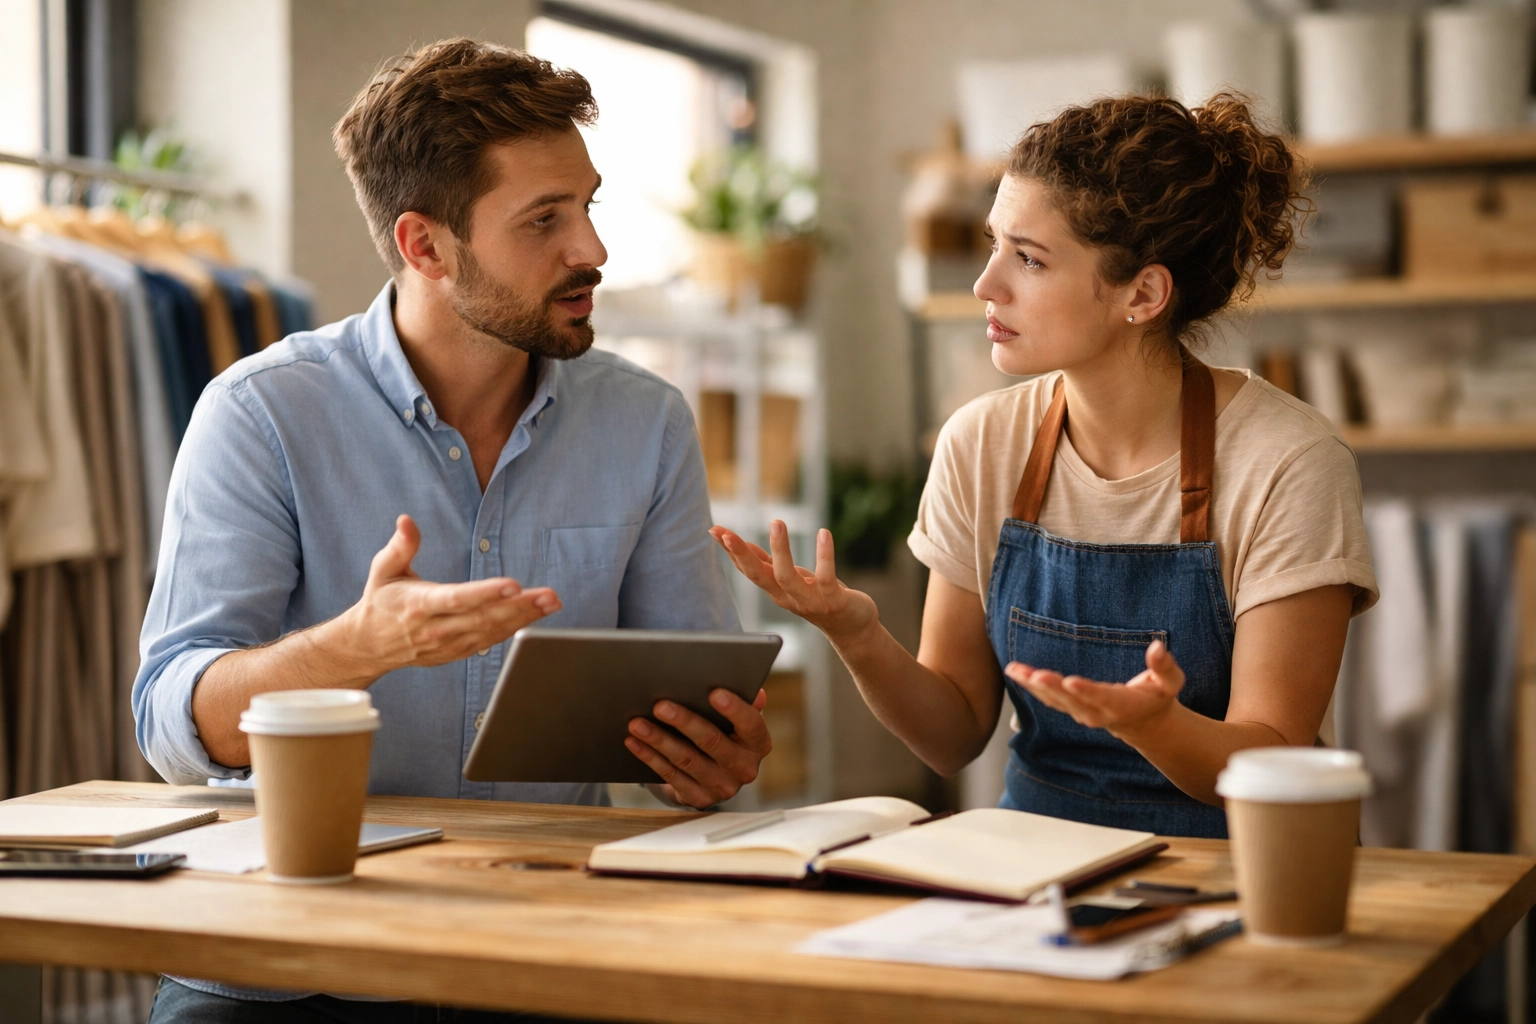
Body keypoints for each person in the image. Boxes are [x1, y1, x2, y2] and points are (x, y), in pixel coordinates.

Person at [134, 39, 770, 1021]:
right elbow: (174, 720)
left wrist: (709, 759)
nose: (592, 251)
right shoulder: (262, 412)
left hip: (542, 940)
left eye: (587, 207)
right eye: (543, 221)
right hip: (287, 961)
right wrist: (352, 649)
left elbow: (695, 701)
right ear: (425, 245)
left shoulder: (646, 422)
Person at [713, 93, 1379, 840]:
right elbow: (954, 733)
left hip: (1245, 870)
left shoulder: (1287, 462)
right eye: (994, 243)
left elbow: (1276, 757)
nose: (985, 284)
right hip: (1035, 865)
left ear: (1143, 293)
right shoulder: (980, 443)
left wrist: (1154, 725)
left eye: (1028, 259)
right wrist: (858, 635)